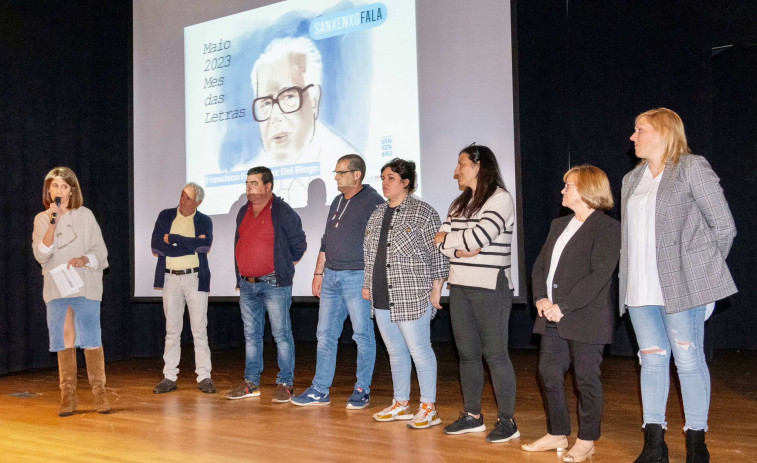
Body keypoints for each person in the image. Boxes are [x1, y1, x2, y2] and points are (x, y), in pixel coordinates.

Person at [621, 108, 736, 463]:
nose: (632, 136)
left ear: (663, 132)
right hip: (640, 288)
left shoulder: (691, 167)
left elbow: (724, 226)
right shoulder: (631, 179)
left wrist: (702, 278)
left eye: (640, 129)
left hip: (682, 288)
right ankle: (654, 444)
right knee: (652, 362)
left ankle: (697, 444)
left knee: (688, 360)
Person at [524, 165, 620, 462]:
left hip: (584, 317)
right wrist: (540, 298)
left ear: (588, 190)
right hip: (551, 314)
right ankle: (557, 432)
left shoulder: (608, 228)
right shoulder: (558, 224)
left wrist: (562, 306)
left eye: (568, 186)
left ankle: (587, 439)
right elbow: (540, 266)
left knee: (586, 380)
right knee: (549, 374)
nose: (562, 190)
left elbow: (598, 275)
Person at [434, 144, 521, 443]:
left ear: (479, 166)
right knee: (467, 354)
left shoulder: (500, 199)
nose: (455, 171)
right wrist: (459, 246)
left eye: (461, 164)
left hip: (490, 285)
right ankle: (472, 416)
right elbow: (441, 241)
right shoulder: (458, 204)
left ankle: (508, 421)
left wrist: (454, 242)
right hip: (459, 285)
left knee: (495, 355)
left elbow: (479, 237)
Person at [290, 154, 383, 408]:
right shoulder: (337, 201)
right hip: (331, 276)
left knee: (363, 335)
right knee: (325, 335)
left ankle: (362, 389)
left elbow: (377, 245)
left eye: (341, 172)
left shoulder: (373, 201)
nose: (336, 177)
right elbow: (326, 239)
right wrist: (318, 273)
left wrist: (368, 280)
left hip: (356, 277)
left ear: (357, 174)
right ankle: (320, 389)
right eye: (336, 172)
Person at [363, 158, 448, 429]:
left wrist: (437, 288)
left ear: (406, 182)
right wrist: (367, 284)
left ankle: (428, 407)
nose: (385, 183)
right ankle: (401, 403)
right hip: (381, 293)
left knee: (419, 350)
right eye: (383, 178)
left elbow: (438, 254)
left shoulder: (424, 212)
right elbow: (369, 254)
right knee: (395, 352)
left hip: (411, 292)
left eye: (390, 178)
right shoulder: (377, 213)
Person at [235, 36, 357, 208]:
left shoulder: (345, 167)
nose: (275, 116)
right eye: (266, 103)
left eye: (288, 97)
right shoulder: (247, 175)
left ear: (314, 99)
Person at [32, 167, 110, 416]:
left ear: (72, 190)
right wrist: (53, 222)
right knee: (65, 340)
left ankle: (100, 394)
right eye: (55, 186)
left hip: (84, 284)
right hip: (58, 287)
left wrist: (85, 258)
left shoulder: (85, 215)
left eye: (64, 186)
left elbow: (101, 252)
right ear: (49, 190)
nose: (59, 190)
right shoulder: (42, 219)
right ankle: (68, 396)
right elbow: (41, 254)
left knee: (91, 339)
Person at [227, 166, 307, 403]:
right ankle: (251, 383)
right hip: (247, 285)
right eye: (247, 183)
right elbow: (239, 244)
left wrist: (280, 265)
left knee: (281, 334)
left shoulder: (283, 211)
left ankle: (285, 383)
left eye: (254, 183)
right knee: (251, 335)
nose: (249, 187)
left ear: (268, 186)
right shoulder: (243, 211)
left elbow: (299, 245)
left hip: (274, 284)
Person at [151, 183, 215, 394]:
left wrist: (175, 241)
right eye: (181, 195)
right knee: (172, 331)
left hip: (196, 278)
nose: (182, 200)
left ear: (198, 202)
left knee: (199, 330)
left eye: (187, 198)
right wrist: (190, 244)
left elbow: (204, 247)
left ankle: (204, 376)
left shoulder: (204, 220)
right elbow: (157, 247)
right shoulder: (166, 216)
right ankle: (169, 376)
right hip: (170, 280)